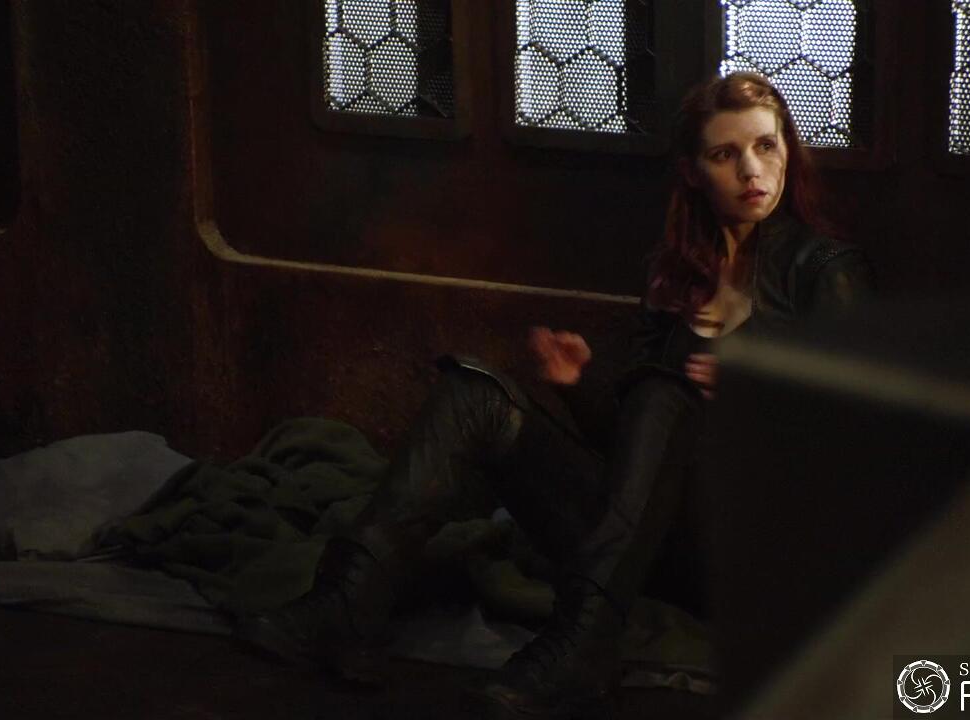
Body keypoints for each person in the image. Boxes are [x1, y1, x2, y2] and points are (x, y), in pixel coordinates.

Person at [234, 72, 874, 718]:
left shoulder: (824, 272)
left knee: (663, 389)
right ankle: (347, 602)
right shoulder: (673, 278)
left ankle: (582, 648)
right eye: (724, 153)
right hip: (642, 552)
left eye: (766, 146)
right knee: (476, 393)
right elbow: (633, 456)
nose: (751, 170)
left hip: (754, 556)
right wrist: (578, 388)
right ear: (691, 171)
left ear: (788, 151)